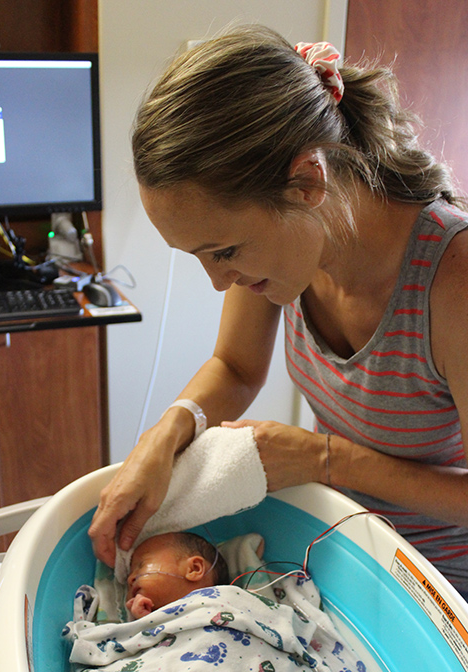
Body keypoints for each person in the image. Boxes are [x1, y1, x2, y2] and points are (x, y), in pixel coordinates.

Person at [89, 26, 468, 599]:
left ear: (307, 182)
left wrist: (325, 458)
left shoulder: (451, 277)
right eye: (200, 258)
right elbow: (237, 367)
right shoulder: (287, 244)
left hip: (438, 588)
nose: (220, 282)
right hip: (335, 544)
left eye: (225, 252)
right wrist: (164, 436)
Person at [126, 531, 229, 619]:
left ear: (194, 568)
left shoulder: (232, 604)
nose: (130, 579)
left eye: (142, 565)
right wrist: (144, 623)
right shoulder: (147, 627)